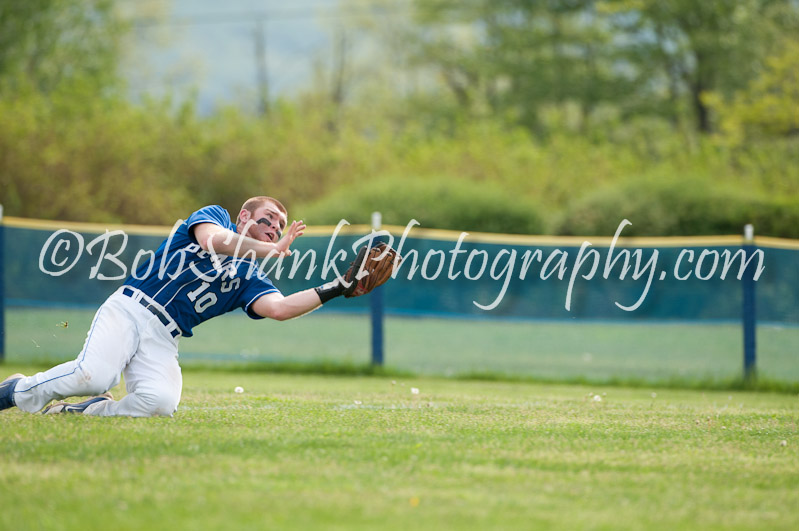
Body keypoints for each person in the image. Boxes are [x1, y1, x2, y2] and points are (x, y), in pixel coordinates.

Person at [0, 196, 364, 417]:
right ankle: (16, 391)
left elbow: (281, 307)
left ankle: (90, 410)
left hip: (164, 335)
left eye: (281, 225)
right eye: (269, 218)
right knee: (95, 375)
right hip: (130, 309)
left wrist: (338, 287)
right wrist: (275, 248)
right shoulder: (216, 216)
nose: (275, 227)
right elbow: (213, 241)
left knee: (159, 403)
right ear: (244, 215)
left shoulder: (250, 276)